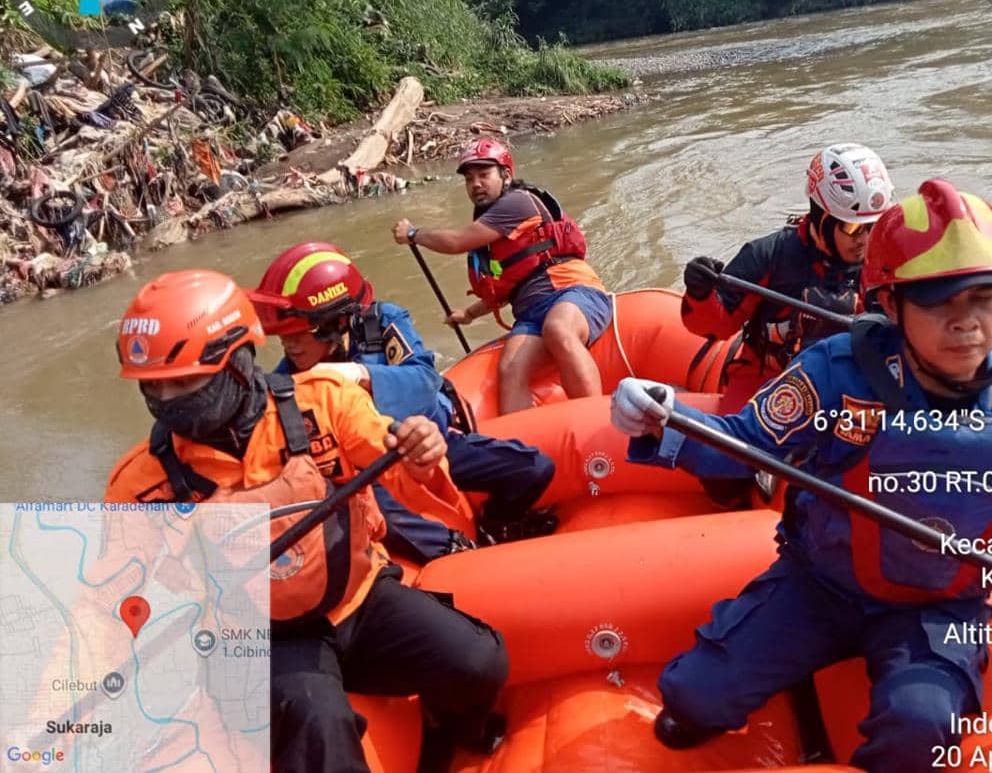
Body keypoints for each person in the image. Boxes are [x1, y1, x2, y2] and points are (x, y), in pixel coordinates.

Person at [610, 179, 992, 772]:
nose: (965, 323)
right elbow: (746, 447)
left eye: (984, 297)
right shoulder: (835, 373)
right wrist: (662, 422)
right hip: (821, 585)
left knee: (919, 732)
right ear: (891, 307)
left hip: (939, 608)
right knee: (692, 700)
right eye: (937, 302)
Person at [105, 270, 508, 772]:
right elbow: (108, 596)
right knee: (318, 725)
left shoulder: (325, 400)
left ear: (237, 362)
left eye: (184, 384)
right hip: (263, 637)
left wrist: (423, 453)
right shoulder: (140, 481)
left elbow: (405, 470)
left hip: (358, 598)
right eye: (154, 389)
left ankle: (445, 733)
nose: (168, 405)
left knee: (479, 660)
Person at [249, 241, 557, 556]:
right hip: (372, 469)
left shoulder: (384, 322)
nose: (290, 347)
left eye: (297, 336)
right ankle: (456, 553)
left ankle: (497, 524)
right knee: (371, 506)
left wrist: (362, 376)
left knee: (535, 468)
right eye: (284, 339)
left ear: (336, 323)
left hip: (433, 446)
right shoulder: (292, 375)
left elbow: (424, 383)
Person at [392, 138, 613, 414]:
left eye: (484, 175)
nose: (475, 184)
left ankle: (596, 418)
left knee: (558, 329)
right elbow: (510, 285)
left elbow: (457, 241)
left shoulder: (518, 203)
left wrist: (414, 234)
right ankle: (524, 450)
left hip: (573, 291)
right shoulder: (492, 231)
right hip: (532, 312)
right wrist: (470, 314)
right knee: (510, 368)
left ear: (506, 175)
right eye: (469, 179)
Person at [681, 143, 897, 414]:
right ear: (822, 218)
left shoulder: (886, 261)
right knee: (736, 451)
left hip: (850, 377)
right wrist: (700, 294)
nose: (865, 240)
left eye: (873, 226)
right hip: (768, 377)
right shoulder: (769, 256)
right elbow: (717, 327)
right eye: (853, 228)